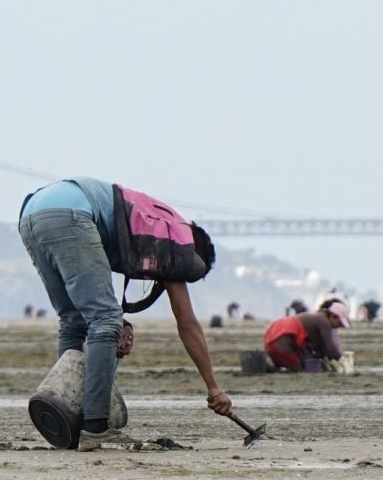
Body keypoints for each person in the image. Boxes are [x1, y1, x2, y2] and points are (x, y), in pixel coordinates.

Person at [17, 176, 231, 448]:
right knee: (105, 322)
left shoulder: (154, 219)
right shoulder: (178, 240)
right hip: (72, 214)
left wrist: (122, 324)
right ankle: (95, 427)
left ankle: (67, 415)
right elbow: (187, 324)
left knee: (73, 321)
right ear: (195, 255)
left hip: (31, 215)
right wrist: (214, 387)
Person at [262, 297, 349, 371]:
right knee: (297, 368)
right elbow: (331, 349)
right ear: (332, 316)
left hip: (273, 334)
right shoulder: (324, 321)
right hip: (282, 337)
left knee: (290, 365)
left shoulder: (317, 317)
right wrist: (344, 362)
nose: (338, 327)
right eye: (339, 323)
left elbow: (322, 348)